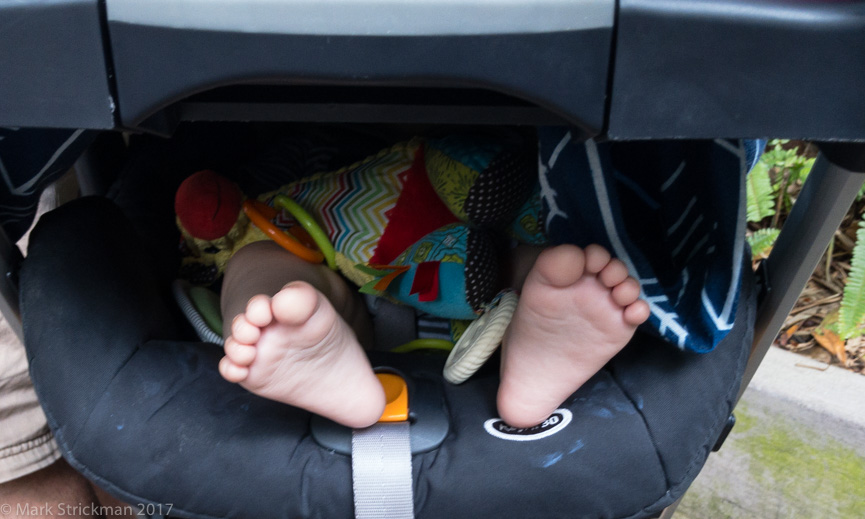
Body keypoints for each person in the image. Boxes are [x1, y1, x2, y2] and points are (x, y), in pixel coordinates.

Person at [217, 239, 649, 429]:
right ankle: (299, 334)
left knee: (548, 264)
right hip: (350, 275)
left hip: (484, 291)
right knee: (281, 274)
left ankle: (545, 329)